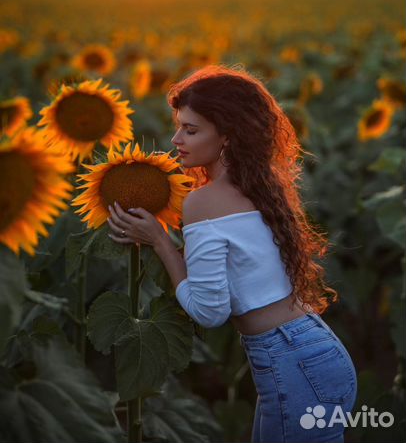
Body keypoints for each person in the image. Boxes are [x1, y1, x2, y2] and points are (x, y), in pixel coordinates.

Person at [108, 64, 358, 443]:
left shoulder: (205, 202)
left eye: (191, 130)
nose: (176, 138)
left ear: (227, 135)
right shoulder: (260, 185)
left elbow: (210, 311)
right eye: (178, 126)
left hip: (291, 364)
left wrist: (159, 241)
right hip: (314, 353)